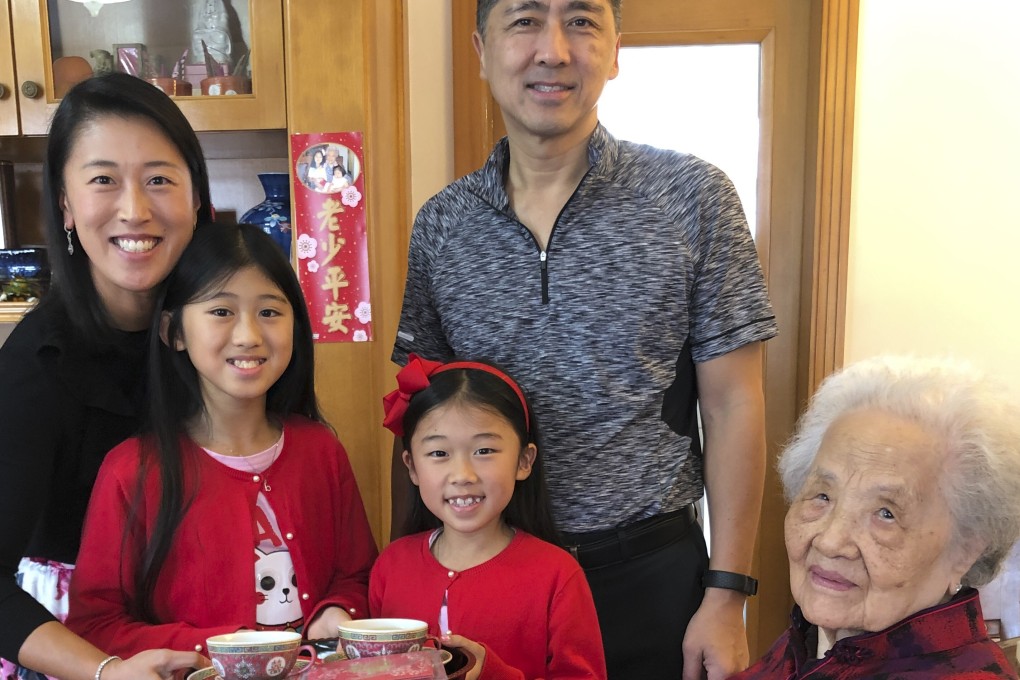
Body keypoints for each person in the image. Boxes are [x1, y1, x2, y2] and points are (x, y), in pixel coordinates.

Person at [390, 1, 777, 677]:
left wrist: (728, 593)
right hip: (492, 577)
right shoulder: (442, 225)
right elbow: (421, 412)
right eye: (525, 22)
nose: (554, 50)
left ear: (615, 47)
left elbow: (733, 404)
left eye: (581, 21)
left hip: (651, 579)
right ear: (481, 48)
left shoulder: (692, 197)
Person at [65, 223, 379, 656]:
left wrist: (339, 609)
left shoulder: (320, 449)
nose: (249, 335)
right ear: (173, 332)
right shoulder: (132, 470)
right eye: (221, 311)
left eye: (269, 312)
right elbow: (95, 624)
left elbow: (358, 576)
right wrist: (216, 646)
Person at [0, 73, 212, 680]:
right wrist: (105, 672)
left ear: (196, 197)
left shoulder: (227, 333)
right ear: (65, 205)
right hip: (80, 655)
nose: (135, 209)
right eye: (102, 181)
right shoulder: (37, 368)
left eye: (159, 180)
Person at [732, 356, 1020, 679]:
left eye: (886, 514)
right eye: (822, 496)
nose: (830, 541)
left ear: (966, 551)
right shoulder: (814, 640)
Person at [373, 354, 606, 679]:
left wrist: (494, 673)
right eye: (439, 453)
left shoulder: (558, 576)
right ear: (411, 466)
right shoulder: (390, 566)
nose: (462, 474)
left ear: (524, 461)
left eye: (484, 451)